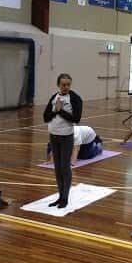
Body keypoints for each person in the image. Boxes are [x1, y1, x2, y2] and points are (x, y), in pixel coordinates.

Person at [42, 74, 82, 209]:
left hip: (66, 137)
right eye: (63, 85)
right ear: (58, 84)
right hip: (53, 136)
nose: (65, 87)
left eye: (68, 85)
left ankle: (65, 197)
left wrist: (61, 111)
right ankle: (60, 196)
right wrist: (55, 110)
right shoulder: (54, 97)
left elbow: (76, 118)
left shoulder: (75, 98)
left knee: (65, 167)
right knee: (57, 168)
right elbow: (45, 117)